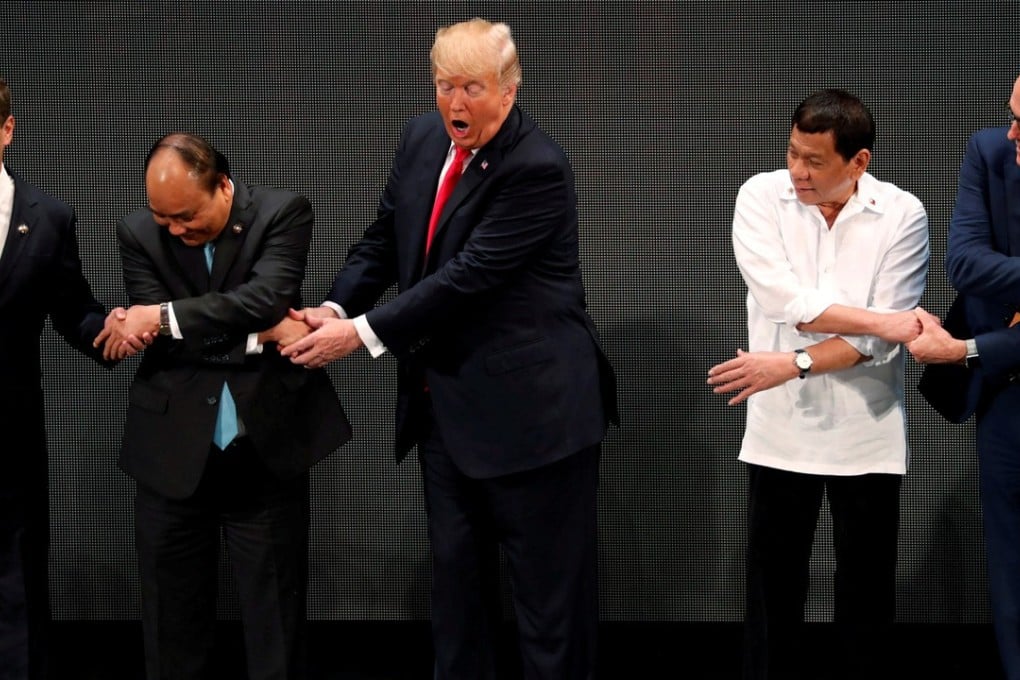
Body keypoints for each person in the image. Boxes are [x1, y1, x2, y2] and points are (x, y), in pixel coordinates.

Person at [280, 18, 617, 680]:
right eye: (443, 85)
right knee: (457, 602)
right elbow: (385, 237)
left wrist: (360, 333)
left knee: (549, 612)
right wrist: (334, 306)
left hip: (536, 421)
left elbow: (467, 279)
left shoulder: (537, 168)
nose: (454, 104)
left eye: (471, 88)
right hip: (448, 412)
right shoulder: (422, 137)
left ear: (508, 90)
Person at [93, 132, 351, 680]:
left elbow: (261, 297)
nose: (176, 231)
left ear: (223, 187)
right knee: (171, 630)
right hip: (171, 456)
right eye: (164, 221)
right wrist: (264, 333)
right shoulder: (137, 232)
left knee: (276, 627)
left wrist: (162, 316)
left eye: (186, 217)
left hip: (264, 453)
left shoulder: (283, 213)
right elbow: (179, 336)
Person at [706, 89, 929, 679]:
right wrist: (880, 317)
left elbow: (877, 347)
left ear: (859, 162)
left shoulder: (903, 214)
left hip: (867, 437)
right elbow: (785, 302)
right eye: (792, 153)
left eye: (815, 161)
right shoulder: (761, 196)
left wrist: (792, 364)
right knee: (773, 593)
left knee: (866, 597)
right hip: (780, 434)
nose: (798, 172)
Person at [0, 77, 134, 680]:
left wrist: (114, 330)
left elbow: (73, 309)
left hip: (10, 434)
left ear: (6, 130)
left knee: (16, 579)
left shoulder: (48, 218)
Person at [906, 72, 1020, 680]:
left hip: (991, 358)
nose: (1011, 130)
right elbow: (965, 262)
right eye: (1012, 112)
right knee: (1011, 577)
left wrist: (976, 345)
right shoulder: (990, 152)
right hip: (1007, 404)